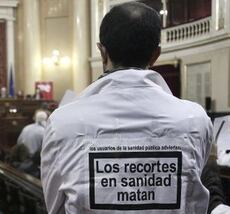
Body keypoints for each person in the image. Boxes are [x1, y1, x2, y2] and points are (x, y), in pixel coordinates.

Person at [41, 2, 213, 214]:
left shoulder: (62, 123)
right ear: (155, 55)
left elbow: (55, 207)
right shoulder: (195, 119)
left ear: (102, 52)